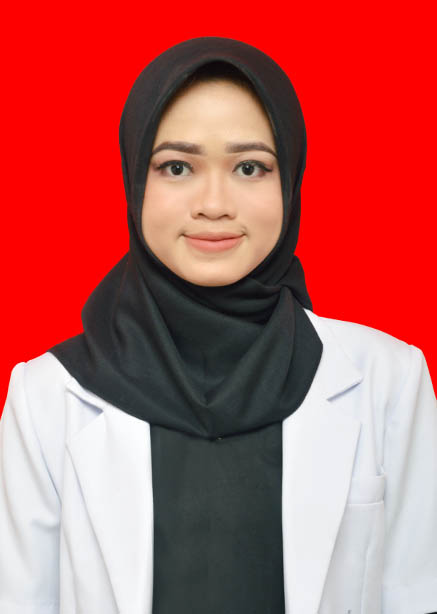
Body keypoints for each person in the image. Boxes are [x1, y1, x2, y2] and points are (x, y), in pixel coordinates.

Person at [0, 36, 436, 614]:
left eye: (249, 167)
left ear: (290, 181)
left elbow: (415, 593)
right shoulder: (46, 396)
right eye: (177, 167)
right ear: (136, 181)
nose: (213, 203)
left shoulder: (390, 382)